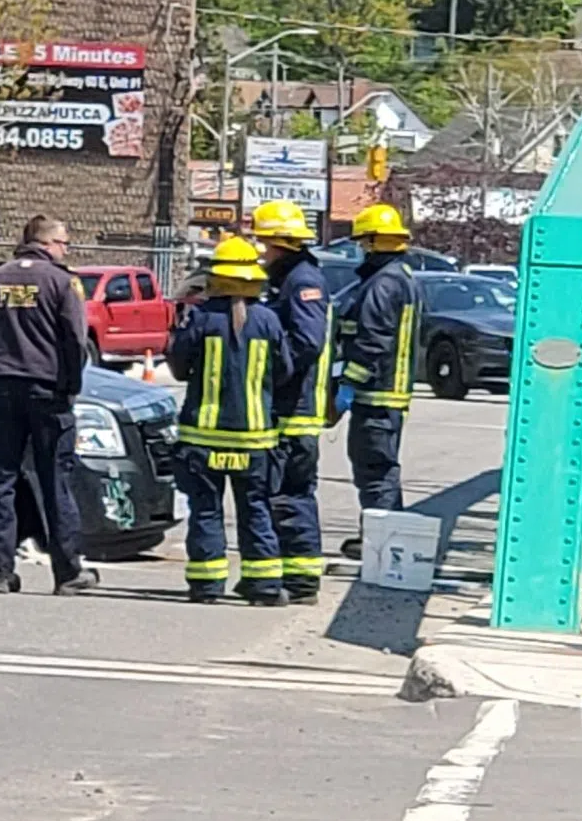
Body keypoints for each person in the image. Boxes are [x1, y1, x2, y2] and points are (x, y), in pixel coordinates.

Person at [0, 214, 98, 597]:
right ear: (49, 243)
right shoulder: (61, 282)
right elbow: (75, 339)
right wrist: (70, 385)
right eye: (64, 242)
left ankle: (1, 573)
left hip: (3, 391)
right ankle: (67, 573)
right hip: (48, 392)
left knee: (1, 481)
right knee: (55, 481)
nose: (66, 249)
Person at [169, 235, 293, 606]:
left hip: (203, 439)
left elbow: (177, 367)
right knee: (255, 510)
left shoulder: (200, 320)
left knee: (205, 510)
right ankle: (264, 587)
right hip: (254, 442)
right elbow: (284, 370)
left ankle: (207, 585)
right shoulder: (268, 320)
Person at [249, 200, 331, 605]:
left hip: (294, 412)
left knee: (289, 495)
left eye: (262, 242)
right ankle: (289, 576)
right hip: (288, 408)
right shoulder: (289, 279)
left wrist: (271, 373)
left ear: (279, 242)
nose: (259, 250)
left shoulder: (301, 282)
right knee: (281, 494)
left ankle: (300, 582)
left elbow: (306, 342)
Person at [336, 203, 420, 553]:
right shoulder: (402, 277)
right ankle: (384, 533)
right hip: (390, 396)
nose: (360, 250)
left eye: (362, 243)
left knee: (375, 469)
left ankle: (381, 539)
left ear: (372, 242)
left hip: (377, 395)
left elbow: (372, 343)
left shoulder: (382, 284)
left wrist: (347, 386)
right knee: (380, 468)